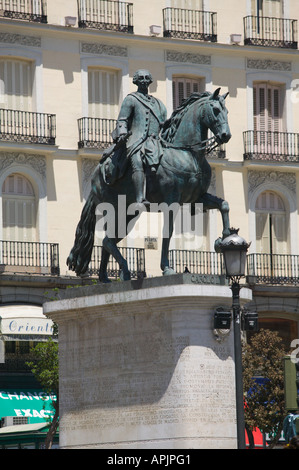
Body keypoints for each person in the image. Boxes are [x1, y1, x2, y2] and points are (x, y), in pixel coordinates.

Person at [112, 69, 167, 206]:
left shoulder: (158, 104)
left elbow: (163, 123)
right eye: (141, 78)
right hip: (137, 140)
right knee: (137, 161)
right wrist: (123, 133)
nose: (143, 80)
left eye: (146, 78)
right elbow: (122, 120)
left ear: (150, 81)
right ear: (136, 80)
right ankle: (139, 198)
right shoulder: (131, 99)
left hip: (155, 142)